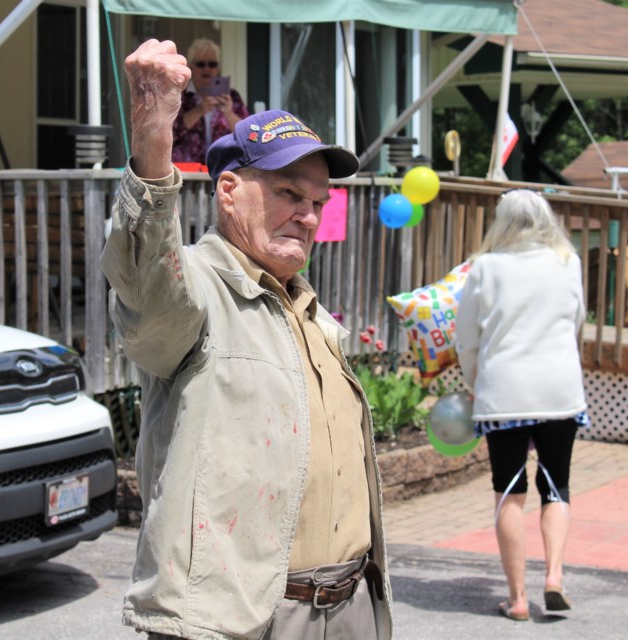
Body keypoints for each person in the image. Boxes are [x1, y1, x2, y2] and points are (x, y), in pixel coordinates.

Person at [100, 39, 393, 640]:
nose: (308, 215)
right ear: (229, 192)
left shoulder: (308, 310)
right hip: (240, 620)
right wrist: (155, 137)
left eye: (317, 201)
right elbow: (145, 287)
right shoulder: (198, 287)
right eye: (289, 193)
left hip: (348, 609)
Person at [454, 188, 590, 622]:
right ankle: (554, 576)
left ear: (502, 222)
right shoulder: (568, 263)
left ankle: (517, 599)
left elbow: (467, 340)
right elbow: (577, 322)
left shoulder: (484, 268)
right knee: (557, 487)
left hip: (503, 393)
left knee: (508, 493)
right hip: (559, 391)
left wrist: (476, 382)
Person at [171, 37, 250, 165]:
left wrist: (229, 114)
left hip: (224, 169)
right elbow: (171, 133)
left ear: (217, 68)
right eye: (201, 64)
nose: (207, 69)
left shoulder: (232, 97)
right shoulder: (180, 95)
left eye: (212, 64)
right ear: (191, 66)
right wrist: (199, 110)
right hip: (187, 172)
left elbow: (248, 135)